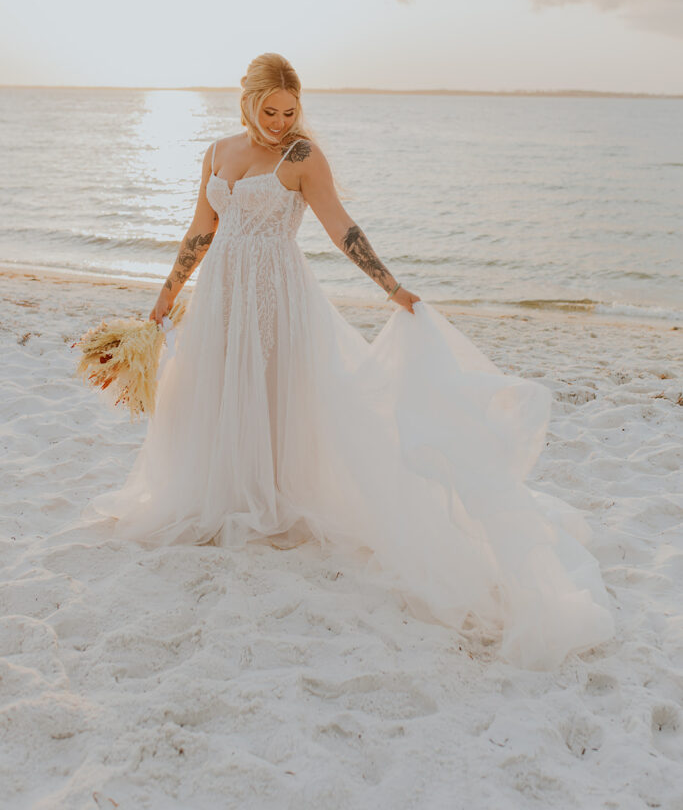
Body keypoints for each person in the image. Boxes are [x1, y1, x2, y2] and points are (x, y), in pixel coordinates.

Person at [86, 52, 614, 670]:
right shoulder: (216, 152)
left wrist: (392, 288)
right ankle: (230, 490)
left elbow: (341, 230)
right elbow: (200, 231)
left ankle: (276, 490)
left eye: (290, 111)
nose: (281, 121)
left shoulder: (303, 159)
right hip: (222, 293)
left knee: (279, 390)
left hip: (278, 293)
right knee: (220, 390)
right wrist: (163, 300)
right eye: (270, 110)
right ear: (247, 101)